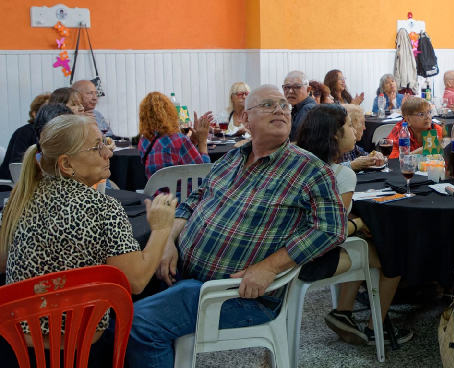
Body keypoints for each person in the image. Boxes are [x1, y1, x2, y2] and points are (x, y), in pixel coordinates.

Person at [127, 85, 347, 368]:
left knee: (138, 325)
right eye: (268, 104)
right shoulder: (232, 159)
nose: (280, 109)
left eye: (283, 105)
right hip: (179, 274)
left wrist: (270, 267)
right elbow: (194, 199)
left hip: (235, 295)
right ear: (245, 119)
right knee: (113, 304)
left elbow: (332, 228)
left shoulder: (309, 169)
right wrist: (169, 240)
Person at [0, 115, 177, 368]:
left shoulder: (20, 198)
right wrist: (161, 229)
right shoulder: (103, 208)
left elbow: (3, 263)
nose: (108, 153)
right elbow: (136, 282)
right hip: (81, 353)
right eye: (97, 147)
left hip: (13, 350)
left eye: (105, 142)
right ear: (66, 164)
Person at [295, 105, 413, 346]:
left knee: (368, 244)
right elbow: (335, 230)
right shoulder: (342, 175)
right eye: (350, 126)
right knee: (393, 257)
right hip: (314, 259)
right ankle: (375, 328)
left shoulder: (301, 164)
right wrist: (361, 223)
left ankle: (344, 311)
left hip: (290, 252)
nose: (355, 129)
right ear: (336, 135)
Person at [137, 92, 214, 180]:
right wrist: (202, 141)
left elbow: (174, 155)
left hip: (156, 193)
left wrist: (193, 139)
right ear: (170, 112)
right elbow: (203, 175)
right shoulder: (179, 140)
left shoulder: (143, 142)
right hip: (183, 193)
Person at [0, 93, 50, 180]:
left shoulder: (54, 133)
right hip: (13, 187)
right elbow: (17, 166)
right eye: (46, 109)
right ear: (34, 114)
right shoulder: (24, 132)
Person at [339, 104, 384, 171]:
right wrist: (353, 165)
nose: (364, 128)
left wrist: (377, 155)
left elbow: (366, 156)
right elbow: (329, 170)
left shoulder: (352, 146)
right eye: (362, 123)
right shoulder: (335, 147)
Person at [283, 70, 317, 141]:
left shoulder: (308, 109)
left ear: (308, 90)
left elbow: (298, 140)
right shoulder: (296, 107)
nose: (290, 91)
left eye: (296, 87)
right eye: (287, 87)